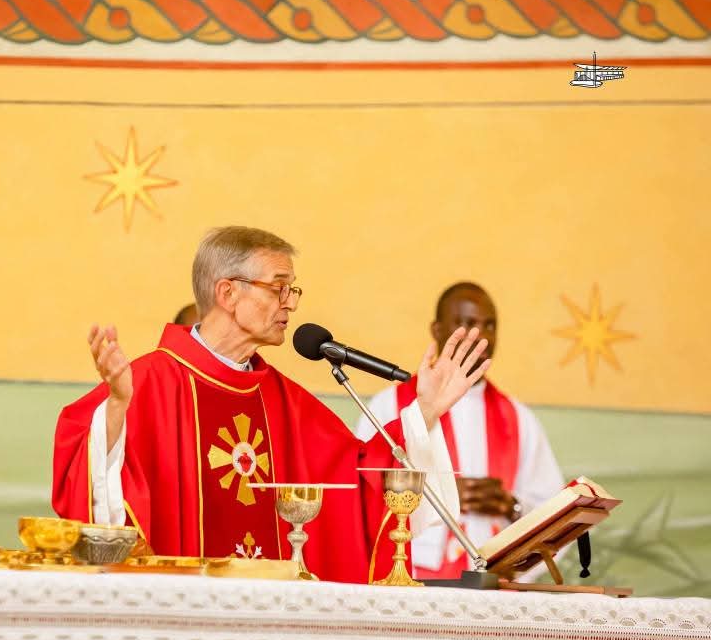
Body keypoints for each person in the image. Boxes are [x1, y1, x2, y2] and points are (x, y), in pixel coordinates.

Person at [53, 227, 490, 583]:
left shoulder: (283, 400)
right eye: (278, 288)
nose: (290, 305)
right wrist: (116, 406)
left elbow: (357, 479)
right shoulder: (146, 381)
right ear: (227, 293)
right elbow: (85, 476)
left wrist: (426, 409)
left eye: (292, 290)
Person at [354, 282, 563, 579]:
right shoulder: (391, 405)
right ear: (437, 330)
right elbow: (364, 491)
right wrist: (442, 495)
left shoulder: (518, 418)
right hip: (411, 580)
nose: (481, 335)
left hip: (495, 583)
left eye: (489, 325)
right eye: (466, 323)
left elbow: (552, 511)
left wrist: (510, 505)